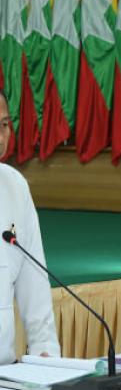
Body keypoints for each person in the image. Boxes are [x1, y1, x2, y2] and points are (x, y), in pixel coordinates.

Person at [0, 90, 60, 365]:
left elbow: (34, 281)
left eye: (4, 125)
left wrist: (44, 351)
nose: (1, 137)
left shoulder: (15, 185)